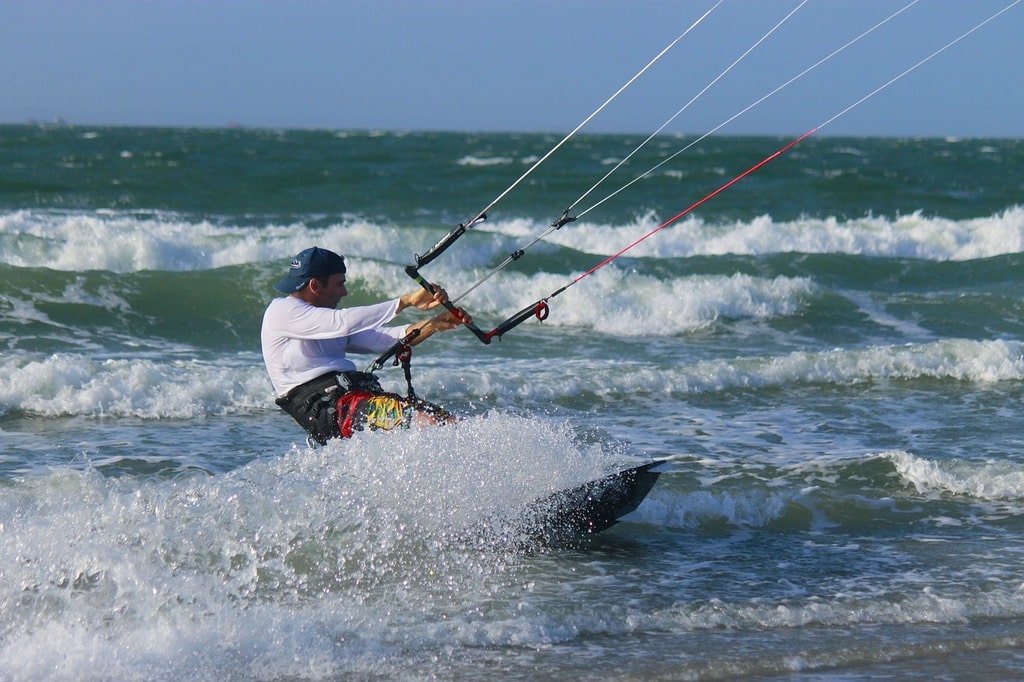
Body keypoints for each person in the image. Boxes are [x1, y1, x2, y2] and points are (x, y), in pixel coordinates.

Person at [261, 246, 468, 443]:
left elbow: (386, 339)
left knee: (447, 422)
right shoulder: (282, 310)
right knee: (426, 423)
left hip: (353, 397)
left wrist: (434, 324)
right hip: (328, 410)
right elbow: (343, 322)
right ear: (315, 285)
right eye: (339, 284)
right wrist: (406, 301)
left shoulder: (323, 321)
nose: (344, 292)